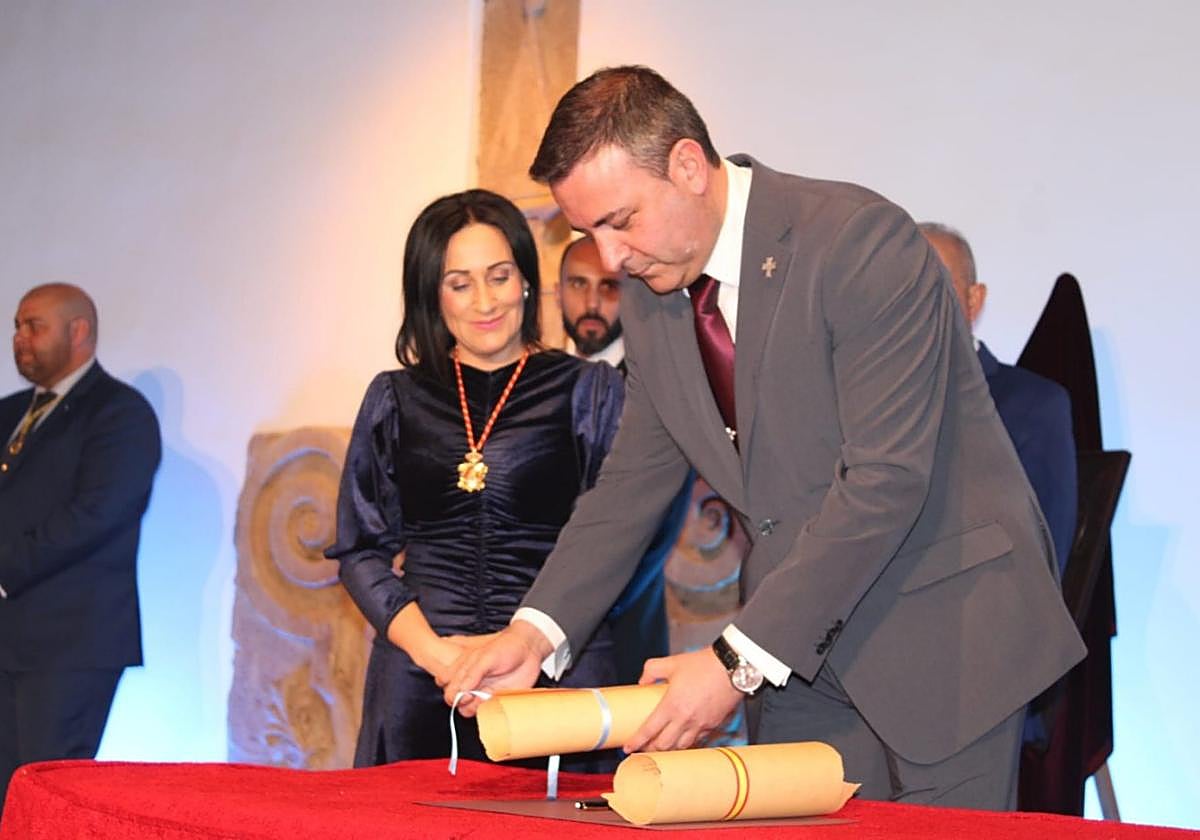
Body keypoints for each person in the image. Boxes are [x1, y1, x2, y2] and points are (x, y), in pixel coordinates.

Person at [446, 66, 1085, 809]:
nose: (610, 258)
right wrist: (533, 632)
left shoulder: (859, 242)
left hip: (942, 638)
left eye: (621, 221)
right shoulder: (653, 297)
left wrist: (732, 661)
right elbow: (631, 485)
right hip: (797, 661)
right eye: (590, 234)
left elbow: (885, 481)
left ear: (689, 166)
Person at [326, 189, 625, 772]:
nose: (485, 301)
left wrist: (527, 644)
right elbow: (360, 550)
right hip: (421, 679)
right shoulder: (395, 398)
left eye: (499, 277)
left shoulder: (589, 392)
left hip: (555, 674)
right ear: (431, 294)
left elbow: (618, 546)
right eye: (459, 284)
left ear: (526, 282)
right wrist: (439, 658)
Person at [0, 283, 160, 815]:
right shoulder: (9, 412)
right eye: (17, 326)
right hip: (10, 640)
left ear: (79, 331)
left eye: (34, 326)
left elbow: (95, 514)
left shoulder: (120, 413)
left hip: (69, 646)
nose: (20, 338)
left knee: (44, 801)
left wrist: (5, 567)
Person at [559, 236, 692, 686]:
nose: (591, 303)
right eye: (578, 284)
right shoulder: (536, 386)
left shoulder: (658, 386)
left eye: (609, 287)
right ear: (556, 291)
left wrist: (576, 610)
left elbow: (659, 524)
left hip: (625, 635)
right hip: (534, 637)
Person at [918, 222, 1076, 572]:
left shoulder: (1032, 405)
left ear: (974, 299)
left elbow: (1045, 552)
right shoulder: (851, 400)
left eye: (938, 284)